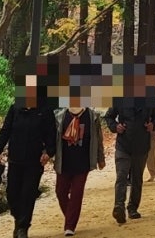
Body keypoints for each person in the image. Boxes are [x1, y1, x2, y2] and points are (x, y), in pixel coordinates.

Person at [0, 84, 56, 238]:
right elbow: (5, 131)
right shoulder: (15, 109)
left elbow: (51, 134)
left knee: (28, 193)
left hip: (35, 161)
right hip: (15, 159)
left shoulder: (44, 111)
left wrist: (49, 152)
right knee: (12, 194)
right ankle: (18, 219)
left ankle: (22, 228)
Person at [54, 101, 105, 236]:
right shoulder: (60, 116)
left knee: (77, 194)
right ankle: (71, 215)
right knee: (60, 192)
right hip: (64, 162)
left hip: (82, 163)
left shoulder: (92, 117)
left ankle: (70, 226)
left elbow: (98, 139)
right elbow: (53, 138)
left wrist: (101, 158)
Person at [104, 101, 155, 223]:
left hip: (141, 146)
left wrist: (153, 125)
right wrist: (115, 126)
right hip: (123, 145)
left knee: (137, 178)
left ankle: (133, 207)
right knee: (121, 176)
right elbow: (108, 116)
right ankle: (119, 206)